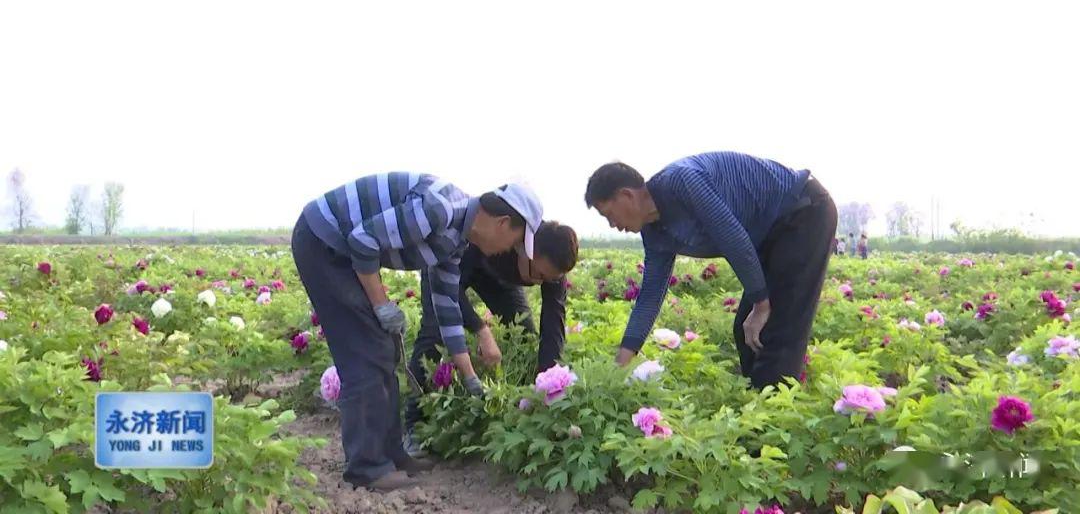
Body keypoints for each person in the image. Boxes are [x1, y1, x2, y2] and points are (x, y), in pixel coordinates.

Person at [291, 172, 543, 491]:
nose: (510, 250)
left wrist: (470, 377)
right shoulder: (441, 209)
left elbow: (446, 304)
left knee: (386, 349)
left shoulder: (456, 239)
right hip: (323, 241)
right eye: (516, 242)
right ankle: (367, 467)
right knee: (365, 353)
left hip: (342, 250)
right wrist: (381, 304)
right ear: (504, 223)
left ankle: (393, 454)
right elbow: (363, 240)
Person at [584, 151, 838, 390]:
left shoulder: (681, 181)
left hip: (803, 210)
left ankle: (773, 421)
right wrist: (620, 365)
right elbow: (650, 296)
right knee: (746, 331)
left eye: (609, 214)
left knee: (776, 331)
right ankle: (757, 407)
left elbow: (732, 238)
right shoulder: (654, 233)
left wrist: (761, 306)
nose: (612, 225)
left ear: (627, 195)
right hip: (768, 234)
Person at [403, 220, 579, 455]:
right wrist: (481, 329)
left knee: (525, 337)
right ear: (525, 249)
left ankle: (514, 408)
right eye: (538, 273)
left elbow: (552, 328)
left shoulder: (551, 267)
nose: (539, 282)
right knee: (435, 334)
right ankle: (414, 426)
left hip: (498, 277)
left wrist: (547, 387)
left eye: (549, 279)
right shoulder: (493, 235)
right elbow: (449, 291)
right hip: (449, 265)